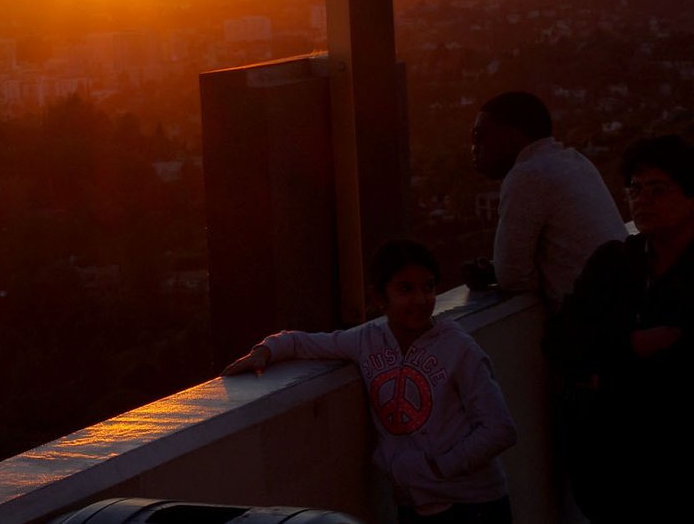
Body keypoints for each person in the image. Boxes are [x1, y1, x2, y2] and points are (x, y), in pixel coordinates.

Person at [224, 240, 517, 523]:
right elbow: (303, 343)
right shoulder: (367, 341)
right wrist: (264, 351)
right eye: (405, 289)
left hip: (476, 505)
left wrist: (438, 468)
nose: (420, 299)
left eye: (428, 287)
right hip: (413, 505)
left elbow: (499, 429)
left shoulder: (459, 349)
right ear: (378, 298)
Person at [545, 134, 694, 523]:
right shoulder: (613, 263)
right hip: (608, 474)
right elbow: (560, 342)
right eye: (635, 189)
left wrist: (603, 369)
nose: (642, 200)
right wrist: (633, 346)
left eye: (657, 189)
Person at [465, 91, 624, 309]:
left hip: (598, 317)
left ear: (510, 137)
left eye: (478, 135)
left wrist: (501, 273)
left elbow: (512, 277)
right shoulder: (575, 161)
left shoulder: (527, 175)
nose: (474, 147)